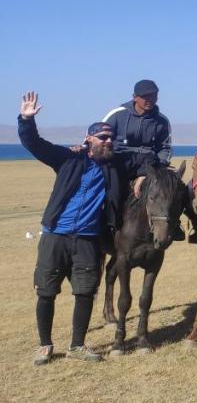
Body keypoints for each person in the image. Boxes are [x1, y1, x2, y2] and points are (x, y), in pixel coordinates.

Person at [20, 92, 138, 365]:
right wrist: (26, 119)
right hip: (55, 236)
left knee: (85, 292)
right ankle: (45, 345)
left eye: (111, 138)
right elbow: (35, 144)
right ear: (89, 140)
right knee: (46, 292)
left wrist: (143, 174)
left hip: (87, 240)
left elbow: (144, 160)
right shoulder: (68, 159)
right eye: (102, 138)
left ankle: (76, 345)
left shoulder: (115, 165)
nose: (108, 142)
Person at [105, 79, 179, 240]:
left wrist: (153, 170)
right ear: (134, 97)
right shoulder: (117, 114)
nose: (150, 100)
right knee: (111, 189)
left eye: (153, 96)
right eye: (146, 96)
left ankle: (174, 226)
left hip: (149, 163)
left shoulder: (162, 120)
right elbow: (100, 135)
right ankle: (109, 226)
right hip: (119, 162)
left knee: (175, 188)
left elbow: (165, 147)